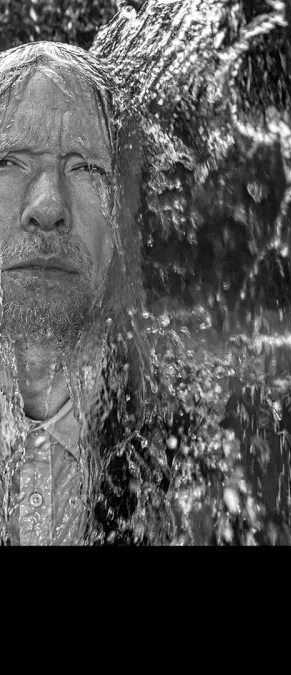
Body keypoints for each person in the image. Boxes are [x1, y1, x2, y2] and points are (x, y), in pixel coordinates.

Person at [0, 41, 153, 545]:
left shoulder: (194, 445)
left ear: (124, 218)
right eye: (9, 161)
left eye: (85, 167)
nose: (47, 207)